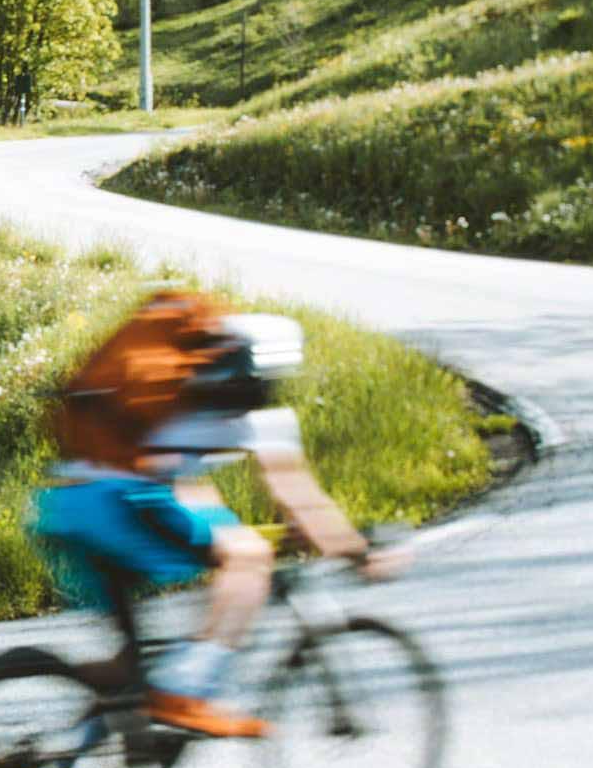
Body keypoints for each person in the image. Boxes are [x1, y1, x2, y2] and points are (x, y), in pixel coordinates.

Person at [32, 289, 401, 738]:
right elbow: (299, 500)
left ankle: (61, 762)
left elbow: (182, 487)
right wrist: (360, 553)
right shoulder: (255, 419)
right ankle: (185, 691)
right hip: (116, 506)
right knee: (249, 558)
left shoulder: (168, 403)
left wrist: (229, 528)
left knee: (130, 672)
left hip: (65, 509)